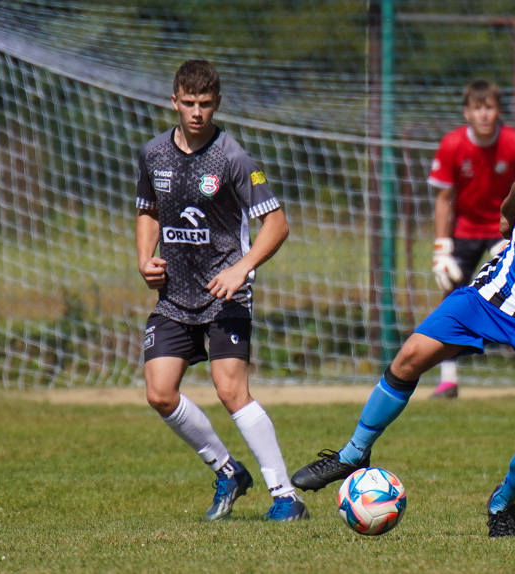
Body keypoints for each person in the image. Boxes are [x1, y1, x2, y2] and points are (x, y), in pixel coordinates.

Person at [290, 74, 515, 537]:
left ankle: (502, 501)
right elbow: (513, 201)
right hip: (497, 295)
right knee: (409, 356)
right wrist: (508, 225)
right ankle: (351, 455)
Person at [135, 59, 308, 522]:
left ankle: (286, 496)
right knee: (159, 393)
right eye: (188, 103)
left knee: (231, 390)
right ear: (174, 101)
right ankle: (227, 470)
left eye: (205, 104)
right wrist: (143, 258)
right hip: (174, 297)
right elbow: (147, 208)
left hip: (225, 297)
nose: (196, 113)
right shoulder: (153, 154)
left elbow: (277, 224)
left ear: (217, 104)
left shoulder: (234, 158)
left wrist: (242, 269)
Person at [428, 80, 515, 399]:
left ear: (498, 111)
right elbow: (444, 198)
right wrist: (441, 248)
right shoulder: (452, 144)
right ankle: (448, 379)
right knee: (450, 297)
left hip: (503, 229)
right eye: (477, 108)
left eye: (490, 107)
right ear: (466, 112)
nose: (484, 114)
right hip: (465, 231)